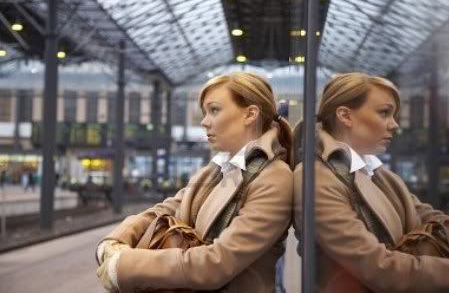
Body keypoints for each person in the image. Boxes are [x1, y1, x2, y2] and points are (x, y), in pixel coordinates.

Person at [96, 72, 294, 293]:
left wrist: (124, 265)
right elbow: (167, 208)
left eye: (214, 110)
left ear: (250, 114)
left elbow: (216, 263)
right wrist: (117, 239)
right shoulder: (216, 169)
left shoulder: (274, 179)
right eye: (204, 112)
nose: (204, 121)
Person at [293, 72, 449, 292]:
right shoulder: (316, 181)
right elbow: (378, 268)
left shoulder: (378, 174)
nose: (394, 125)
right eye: (384, 113)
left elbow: (431, 217)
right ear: (345, 116)